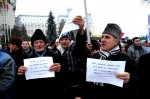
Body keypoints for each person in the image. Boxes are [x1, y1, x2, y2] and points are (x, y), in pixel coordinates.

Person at [84, 23, 139, 98]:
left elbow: (137, 83)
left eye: (107, 37)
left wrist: (130, 79)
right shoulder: (93, 58)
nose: (102, 40)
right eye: (102, 37)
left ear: (116, 41)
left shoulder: (127, 60)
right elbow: (84, 80)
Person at [55, 16, 86, 99]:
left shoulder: (74, 47)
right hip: (64, 84)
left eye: (66, 39)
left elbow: (81, 43)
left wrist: (80, 30)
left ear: (69, 40)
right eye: (62, 39)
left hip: (77, 82)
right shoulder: (56, 52)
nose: (64, 41)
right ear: (59, 41)